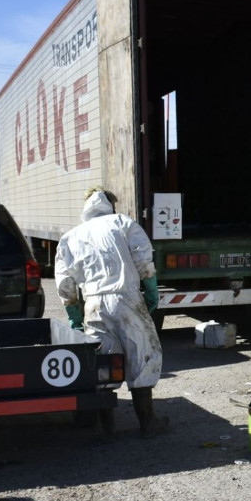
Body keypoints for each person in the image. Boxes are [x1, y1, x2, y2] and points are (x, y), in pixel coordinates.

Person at [55, 188, 168, 440]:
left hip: (93, 304)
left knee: (104, 363)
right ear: (110, 204)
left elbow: (65, 283)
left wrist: (74, 313)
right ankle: (148, 423)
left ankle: (109, 430)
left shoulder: (70, 237)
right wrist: (150, 287)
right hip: (126, 297)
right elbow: (142, 256)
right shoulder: (122, 223)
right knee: (142, 356)